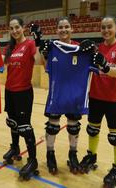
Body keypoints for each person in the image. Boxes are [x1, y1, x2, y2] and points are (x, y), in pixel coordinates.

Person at [39, 17, 95, 175]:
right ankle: (50, 154)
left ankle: (73, 154)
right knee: (52, 126)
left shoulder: (82, 49)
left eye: (66, 27)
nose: (63, 30)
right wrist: (43, 51)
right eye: (60, 27)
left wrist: (93, 49)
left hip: (75, 94)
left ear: (72, 29)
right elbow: (46, 67)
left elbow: (95, 62)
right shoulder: (52, 48)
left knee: (73, 126)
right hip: (56, 93)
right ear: (57, 31)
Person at [79, 16, 116, 188]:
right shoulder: (97, 48)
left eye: (109, 27)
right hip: (95, 96)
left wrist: (106, 67)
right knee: (92, 130)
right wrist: (81, 48)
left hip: (114, 99)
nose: (106, 30)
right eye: (103, 27)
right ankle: (91, 156)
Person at [2, 16, 42, 180]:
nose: (14, 31)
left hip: (23, 92)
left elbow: (39, 62)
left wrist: (38, 40)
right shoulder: (9, 47)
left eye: (17, 27)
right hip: (9, 91)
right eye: (11, 29)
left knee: (25, 127)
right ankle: (15, 148)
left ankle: (33, 160)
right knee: (13, 122)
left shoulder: (30, 44)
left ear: (23, 28)